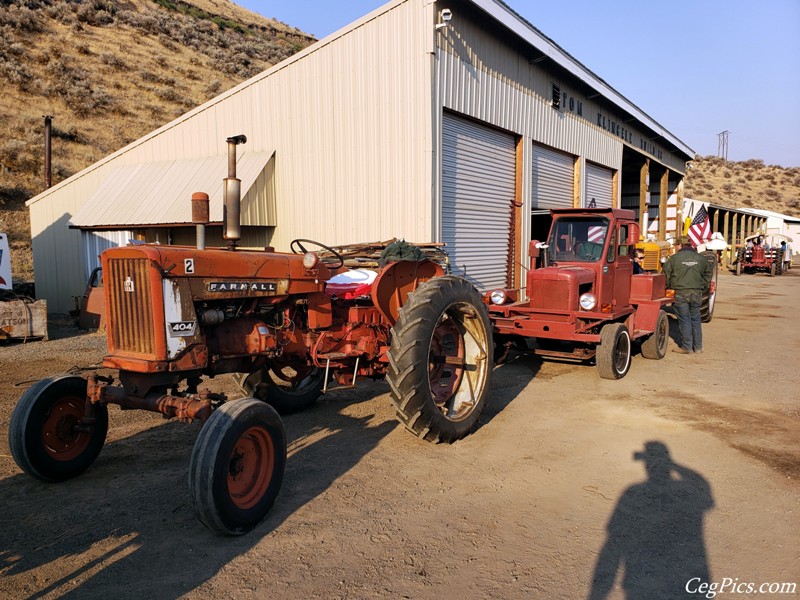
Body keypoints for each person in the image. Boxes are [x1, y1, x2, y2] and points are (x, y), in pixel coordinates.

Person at [663, 236, 713, 354]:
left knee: (684, 319)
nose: (675, 248)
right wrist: (702, 285)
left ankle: (687, 347)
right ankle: (698, 347)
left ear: (680, 245)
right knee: (695, 318)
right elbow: (708, 274)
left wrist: (668, 287)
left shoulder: (673, 259)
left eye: (676, 245)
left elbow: (666, 275)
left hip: (680, 292)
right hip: (696, 292)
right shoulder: (701, 259)